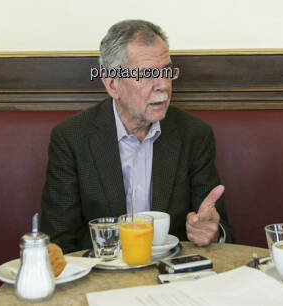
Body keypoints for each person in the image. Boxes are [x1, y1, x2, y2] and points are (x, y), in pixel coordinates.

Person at [41, 19, 234, 253]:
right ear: (113, 84)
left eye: (166, 72)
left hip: (173, 275)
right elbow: (58, 241)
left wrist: (212, 232)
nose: (162, 85)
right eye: (146, 75)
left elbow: (218, 226)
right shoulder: (72, 138)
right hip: (103, 278)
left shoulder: (194, 135)